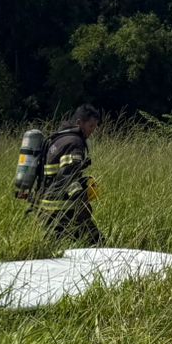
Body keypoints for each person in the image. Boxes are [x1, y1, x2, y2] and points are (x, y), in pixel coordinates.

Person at [32, 104, 104, 246]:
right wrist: (82, 202)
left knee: (53, 249)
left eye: (95, 127)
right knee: (97, 244)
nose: (92, 131)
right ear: (79, 123)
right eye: (90, 126)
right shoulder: (75, 143)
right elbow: (67, 176)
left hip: (46, 207)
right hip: (65, 209)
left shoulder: (58, 139)